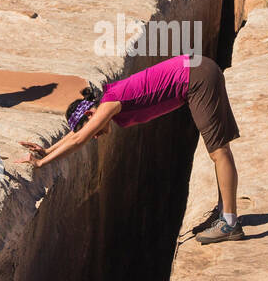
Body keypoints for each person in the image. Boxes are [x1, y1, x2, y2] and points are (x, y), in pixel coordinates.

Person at [18, 53, 245, 243]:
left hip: (197, 78)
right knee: (219, 150)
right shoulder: (106, 102)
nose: (96, 136)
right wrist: (48, 150)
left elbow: (79, 140)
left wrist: (41, 163)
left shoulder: (110, 103)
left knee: (218, 152)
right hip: (196, 69)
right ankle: (224, 211)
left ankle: (229, 223)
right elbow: (76, 135)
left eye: (94, 129)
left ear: (90, 114)